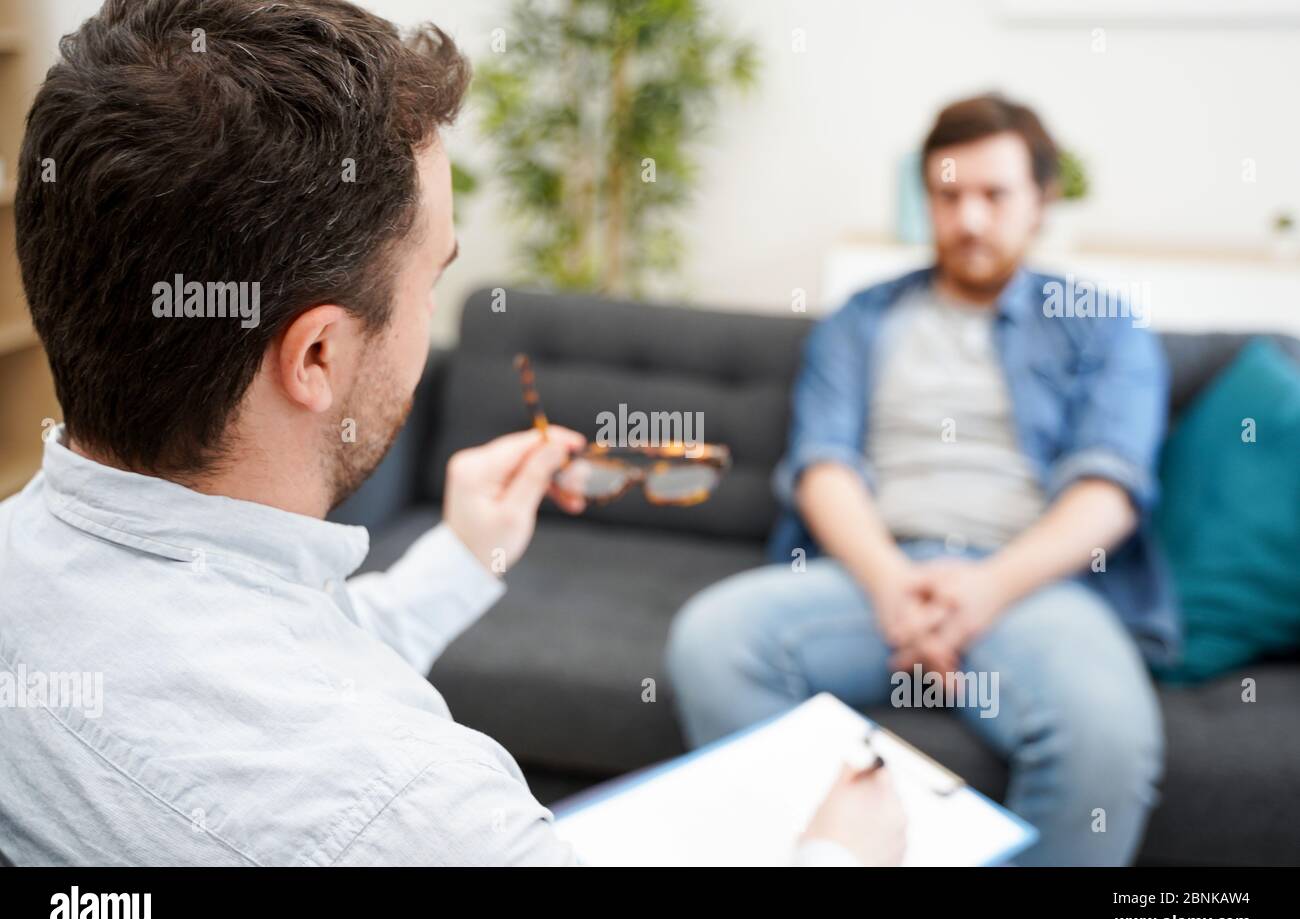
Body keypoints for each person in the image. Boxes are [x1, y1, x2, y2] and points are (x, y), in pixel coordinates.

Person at [0, 0, 902, 866]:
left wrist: (462, 558)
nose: (434, 320)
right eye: (432, 280)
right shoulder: (424, 811)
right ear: (316, 355)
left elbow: (251, 681)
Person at [667, 94, 1175, 866]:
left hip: (1032, 587)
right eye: (948, 195)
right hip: (875, 575)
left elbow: (1109, 491)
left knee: (1107, 738)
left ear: (1042, 200)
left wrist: (984, 591)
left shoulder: (1102, 324)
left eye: (994, 195)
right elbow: (823, 468)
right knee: (713, 642)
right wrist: (895, 589)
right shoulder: (859, 321)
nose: (969, 218)